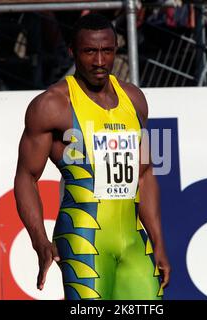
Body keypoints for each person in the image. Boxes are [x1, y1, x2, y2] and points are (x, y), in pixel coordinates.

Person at [14, 13, 170, 300]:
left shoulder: (134, 99)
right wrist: (40, 241)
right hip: (83, 238)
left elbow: (145, 174)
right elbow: (26, 177)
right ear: (72, 51)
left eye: (107, 51)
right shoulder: (51, 105)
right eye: (89, 51)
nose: (99, 62)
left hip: (134, 241)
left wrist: (158, 241)